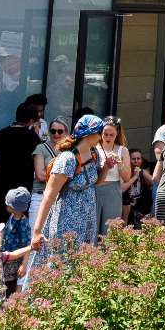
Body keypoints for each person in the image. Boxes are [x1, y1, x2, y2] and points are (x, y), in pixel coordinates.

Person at [29, 114, 105, 269]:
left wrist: (107, 167)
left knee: (81, 266)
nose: (101, 136)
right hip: (66, 221)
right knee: (61, 265)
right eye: (99, 132)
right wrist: (37, 232)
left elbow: (95, 182)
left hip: (87, 220)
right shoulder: (68, 159)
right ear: (89, 134)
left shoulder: (94, 154)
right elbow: (49, 196)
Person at [0, 102, 44, 197]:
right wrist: (36, 132)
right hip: (24, 184)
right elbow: (42, 152)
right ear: (31, 120)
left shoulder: (3, 133)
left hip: (4, 182)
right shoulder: (32, 136)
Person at [92, 118, 134, 240]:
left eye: (112, 135)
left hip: (113, 190)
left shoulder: (122, 150)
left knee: (109, 230)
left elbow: (127, 177)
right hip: (95, 189)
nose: (108, 137)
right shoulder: (94, 148)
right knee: (93, 228)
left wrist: (119, 162)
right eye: (105, 134)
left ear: (117, 134)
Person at [0, 187, 32, 294]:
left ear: (15, 208)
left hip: (14, 261)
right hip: (6, 257)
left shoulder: (23, 224)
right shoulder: (12, 216)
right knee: (0, 283)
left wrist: (24, 265)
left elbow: (28, 246)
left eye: (8, 204)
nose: (6, 205)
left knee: (8, 286)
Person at [36, 119, 67, 194]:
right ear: (49, 132)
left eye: (60, 131)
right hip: (42, 192)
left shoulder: (70, 149)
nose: (56, 134)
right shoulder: (41, 148)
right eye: (53, 131)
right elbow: (40, 176)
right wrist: (65, 176)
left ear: (66, 132)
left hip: (61, 193)